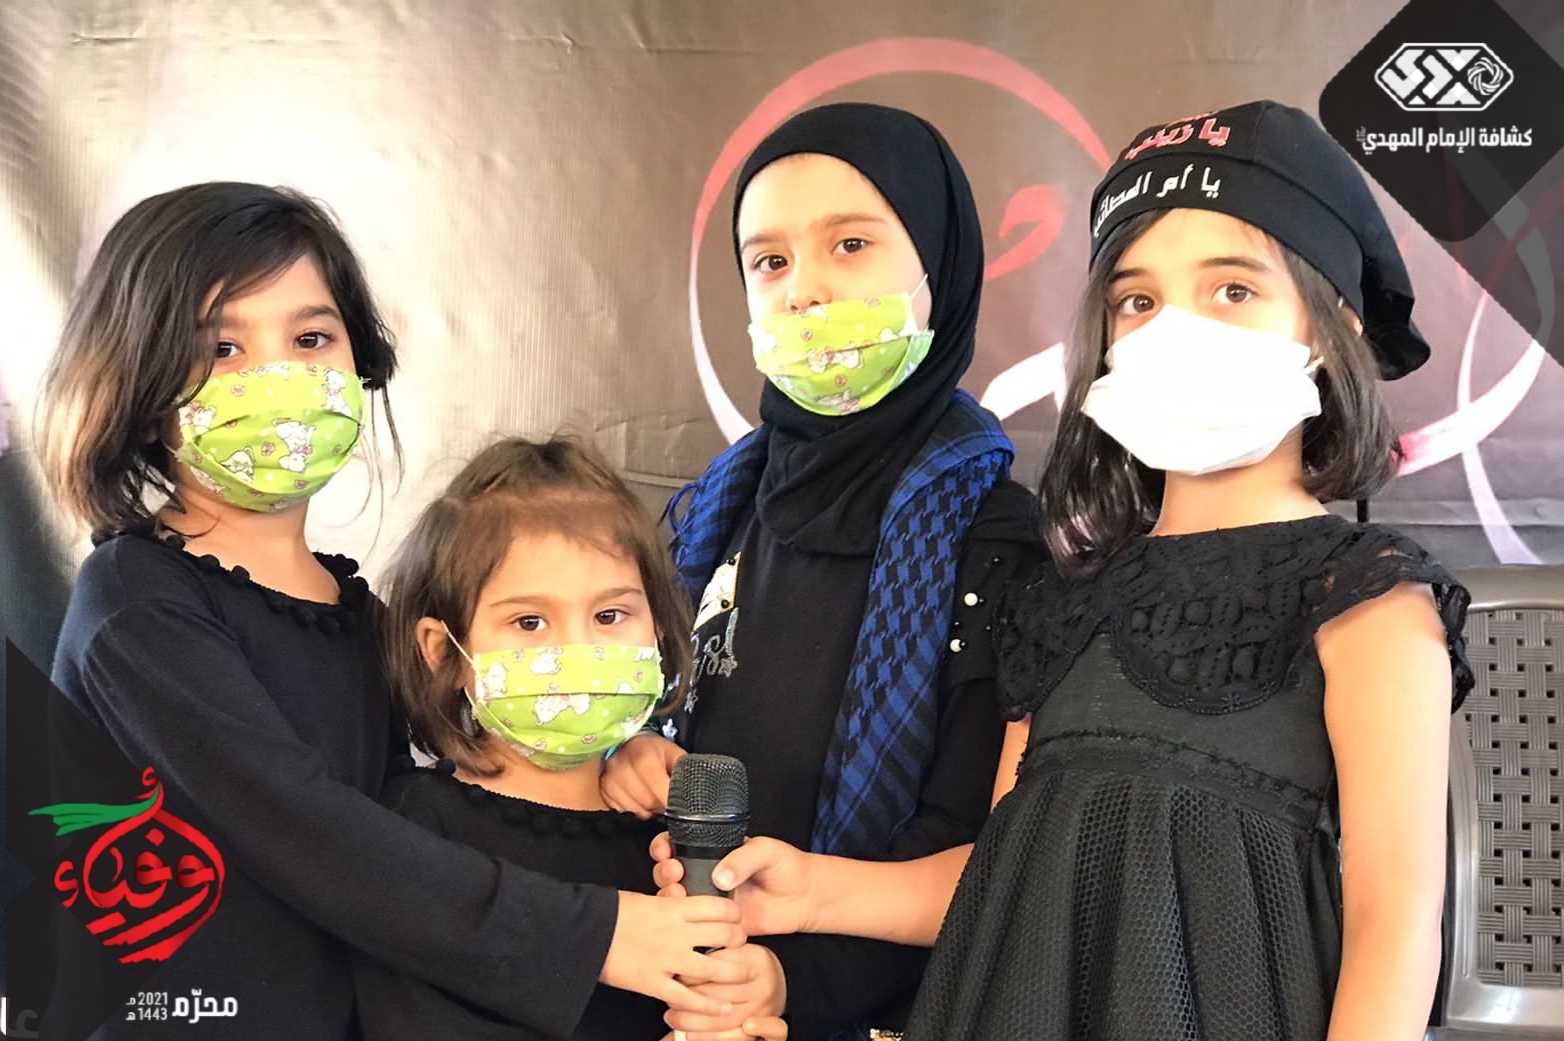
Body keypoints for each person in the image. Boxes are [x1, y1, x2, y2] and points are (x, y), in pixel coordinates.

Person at [652, 100, 1475, 1041]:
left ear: (1331, 328)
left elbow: (1395, 924)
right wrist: (814, 890)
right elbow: (999, 871)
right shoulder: (1063, 593)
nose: (1175, 328)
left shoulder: (1366, 600)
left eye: (1232, 290)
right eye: (1138, 301)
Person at [36, 182, 744, 1040]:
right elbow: (310, 832)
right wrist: (599, 936)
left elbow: (497, 742)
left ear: (358, 359)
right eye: (222, 347)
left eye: (310, 338)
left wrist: (616, 752)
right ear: (143, 383)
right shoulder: (135, 604)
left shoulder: (361, 620)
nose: (278, 377)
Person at [601, 102, 1043, 1039]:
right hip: (676, 995)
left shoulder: (998, 539)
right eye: (770, 261)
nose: (805, 290)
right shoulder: (717, 508)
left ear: (937, 265)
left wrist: (788, 983)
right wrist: (624, 754)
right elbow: (644, 719)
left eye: (850, 244)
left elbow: (981, 852)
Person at [353, 435, 785, 1041]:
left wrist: (761, 988)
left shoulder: (676, 836)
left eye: (610, 616)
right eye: (529, 622)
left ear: (659, 629)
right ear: (443, 651)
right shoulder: (415, 829)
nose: (578, 650)